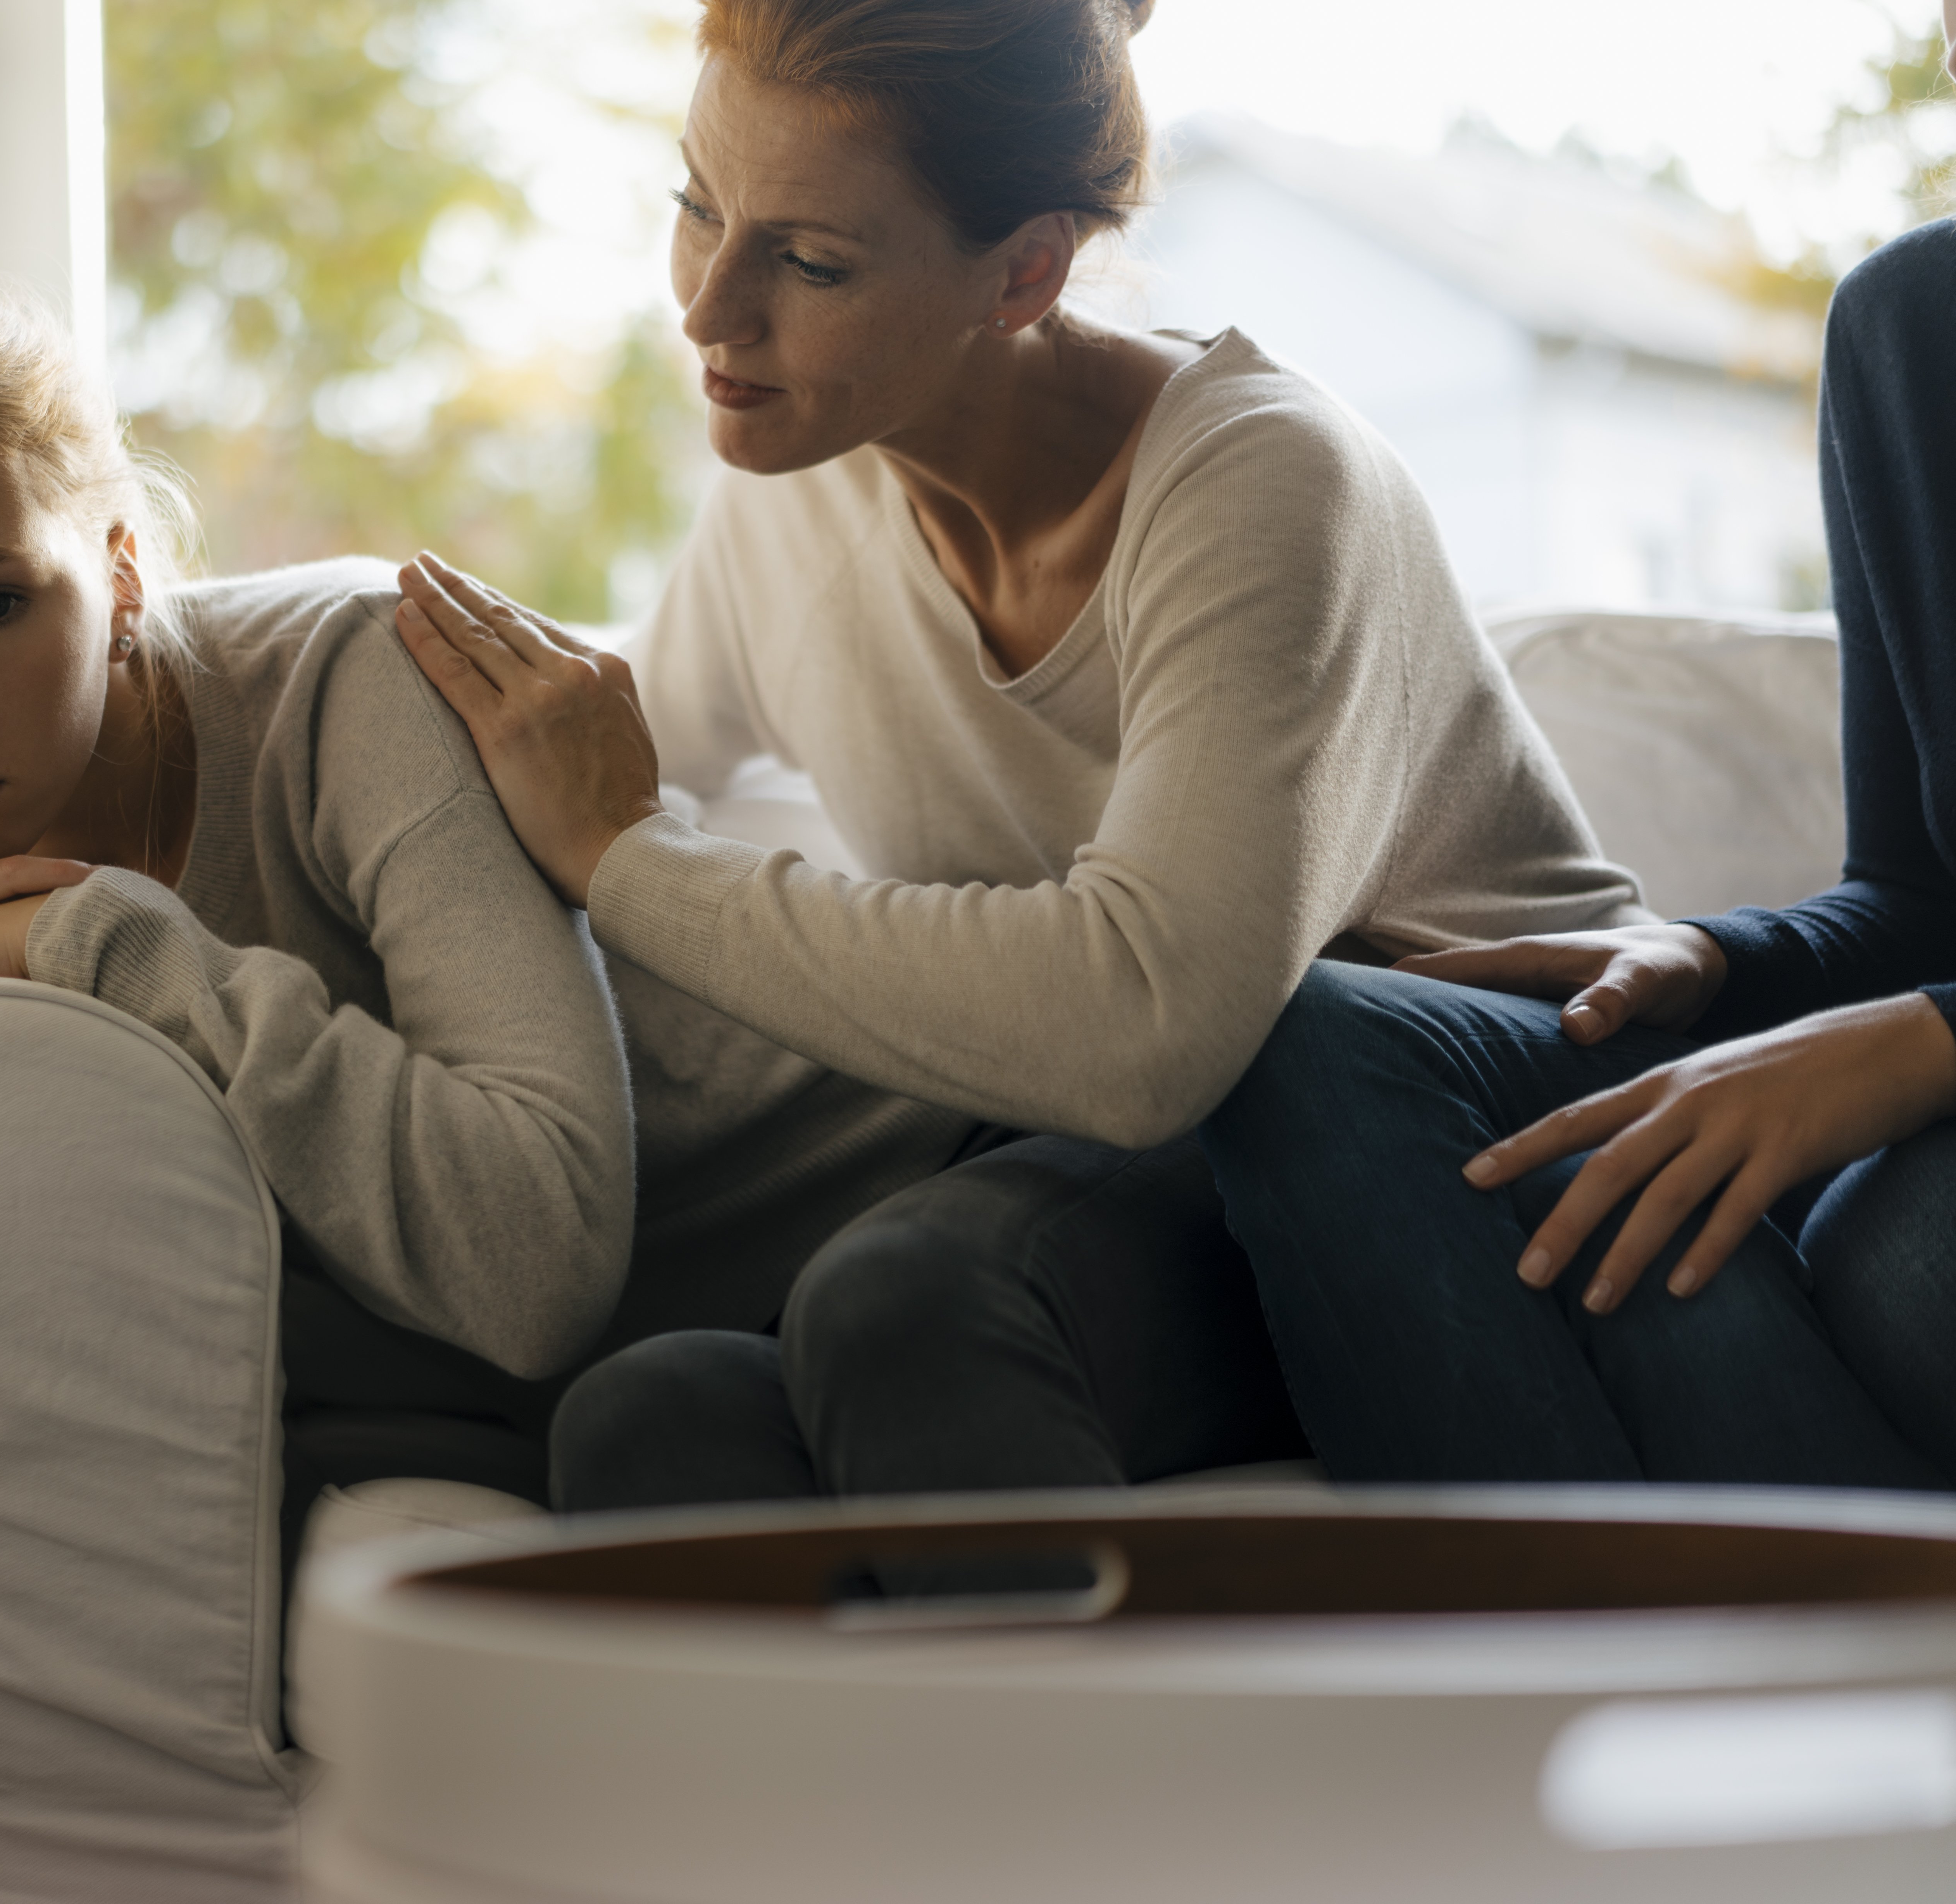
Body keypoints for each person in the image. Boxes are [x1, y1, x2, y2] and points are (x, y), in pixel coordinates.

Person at [0, 286, 979, 1880]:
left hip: (923, 1214)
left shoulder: (349, 678)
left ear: (115, 572)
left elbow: (534, 1261)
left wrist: (120, 946)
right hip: (611, 1411)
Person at [391, 0, 1642, 1513]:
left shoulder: (1260, 482)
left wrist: (630, 863)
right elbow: (574, 779)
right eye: (696, 205)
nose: (709, 309)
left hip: (1449, 1142)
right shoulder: (799, 480)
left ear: (1026, 270)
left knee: (908, 1302)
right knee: (648, 1421)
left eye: (810, 261)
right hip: (1109, 1172)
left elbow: (1139, 1023)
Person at [1196, 208, 1956, 1488]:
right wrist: (1711, 958)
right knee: (1317, 1032)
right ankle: (1580, 1651)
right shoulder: (1914, 323)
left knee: (1901, 1251)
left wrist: (1934, 1039)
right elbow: (1917, 894)